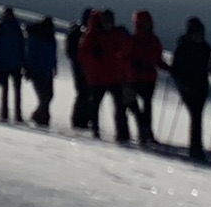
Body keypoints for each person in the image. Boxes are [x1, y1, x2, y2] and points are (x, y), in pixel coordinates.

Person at [80, 9, 134, 141]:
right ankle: (96, 130)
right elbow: (82, 55)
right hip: (99, 78)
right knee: (97, 105)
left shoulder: (113, 34)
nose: (109, 24)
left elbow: (124, 52)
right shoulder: (93, 35)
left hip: (114, 77)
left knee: (119, 107)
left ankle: (122, 134)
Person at [171, 17, 211, 162]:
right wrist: (182, 84)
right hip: (188, 88)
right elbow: (175, 70)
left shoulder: (202, 47)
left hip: (200, 88)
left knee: (197, 116)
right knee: (196, 116)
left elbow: (210, 66)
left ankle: (196, 147)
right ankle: (196, 147)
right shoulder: (185, 48)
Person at [127, 11, 166, 146]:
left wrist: (167, 67)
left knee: (145, 108)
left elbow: (158, 59)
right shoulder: (142, 41)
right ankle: (145, 133)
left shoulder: (148, 40)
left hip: (146, 79)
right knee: (140, 107)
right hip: (138, 78)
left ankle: (145, 133)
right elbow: (125, 59)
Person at [0, 7, 27, 123]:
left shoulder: (0, 29)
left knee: (7, 91)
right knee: (15, 91)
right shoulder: (16, 28)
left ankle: (6, 115)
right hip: (14, 64)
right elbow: (22, 47)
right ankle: (16, 115)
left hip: (6, 64)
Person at [25, 16, 60, 127]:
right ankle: (42, 118)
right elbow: (31, 54)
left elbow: (53, 54)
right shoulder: (36, 37)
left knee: (48, 95)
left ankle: (40, 116)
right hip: (37, 71)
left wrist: (54, 66)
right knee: (45, 96)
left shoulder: (50, 37)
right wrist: (30, 68)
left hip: (47, 71)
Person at [66, 10, 94, 129]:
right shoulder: (80, 32)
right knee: (84, 93)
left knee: (84, 93)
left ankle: (81, 119)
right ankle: (79, 120)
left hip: (81, 67)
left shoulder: (77, 31)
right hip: (81, 67)